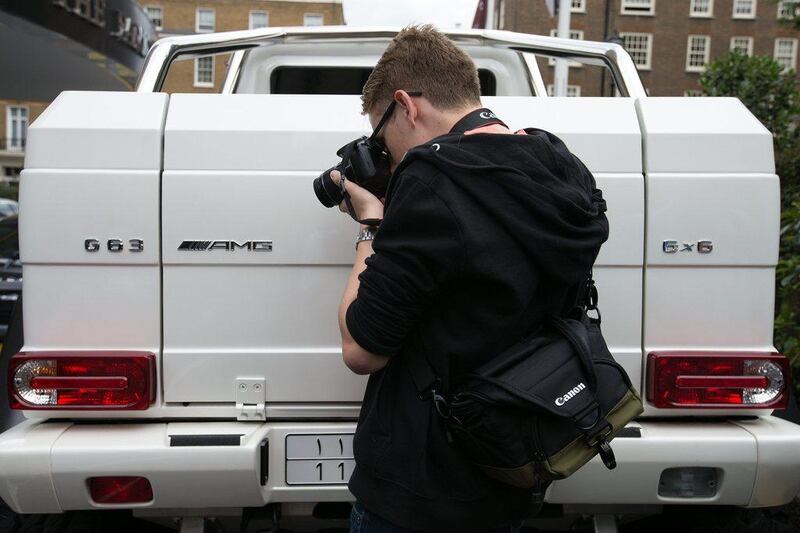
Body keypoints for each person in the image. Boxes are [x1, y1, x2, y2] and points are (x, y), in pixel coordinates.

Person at [332, 25, 609, 533]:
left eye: (380, 133)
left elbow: (362, 350)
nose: (386, 152)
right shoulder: (560, 165)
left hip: (423, 484)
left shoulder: (431, 181)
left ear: (406, 105)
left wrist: (373, 223)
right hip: (515, 457)